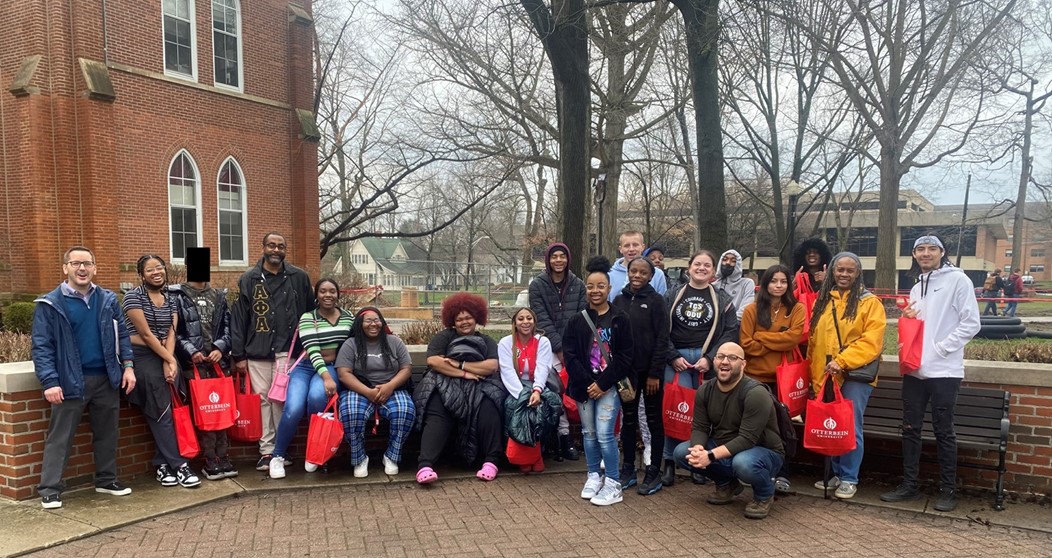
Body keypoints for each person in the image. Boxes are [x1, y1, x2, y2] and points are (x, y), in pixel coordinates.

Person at [880, 235, 980, 512]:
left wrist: (941, 348)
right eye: (920, 249)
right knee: (910, 429)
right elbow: (918, 326)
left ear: (941, 252)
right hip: (915, 370)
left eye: (931, 249)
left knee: (943, 431)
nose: (926, 254)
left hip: (945, 371)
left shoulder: (959, 280)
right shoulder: (915, 287)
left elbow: (971, 323)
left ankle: (948, 489)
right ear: (914, 254)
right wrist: (909, 321)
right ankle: (909, 484)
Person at [32, 247, 136, 509]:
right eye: (76, 263)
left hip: (106, 378)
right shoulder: (50, 304)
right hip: (69, 381)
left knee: (107, 433)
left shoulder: (108, 299)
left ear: (95, 268)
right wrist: (50, 382)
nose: (82, 268)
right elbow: (41, 346)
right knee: (60, 437)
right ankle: (50, 489)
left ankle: (106, 480)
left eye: (87, 264)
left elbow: (122, 335)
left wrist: (129, 366)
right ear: (65, 267)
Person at [230, 232, 315, 472]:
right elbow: (239, 319)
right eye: (271, 245)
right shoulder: (249, 278)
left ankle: (281, 449)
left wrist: (309, 345)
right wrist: (239, 355)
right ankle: (266, 451)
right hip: (257, 350)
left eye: (280, 246)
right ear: (263, 247)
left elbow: (310, 314)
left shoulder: (299, 277)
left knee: (281, 401)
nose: (276, 250)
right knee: (263, 402)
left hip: (288, 351)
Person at [672, 342, 785, 519]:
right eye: (720, 357)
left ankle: (764, 495)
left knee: (743, 463)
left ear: (743, 364)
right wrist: (698, 449)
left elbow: (747, 439)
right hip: (724, 445)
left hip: (762, 450)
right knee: (682, 453)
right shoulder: (705, 390)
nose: (725, 362)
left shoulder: (755, 393)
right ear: (714, 361)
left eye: (732, 358)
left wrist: (709, 456)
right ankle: (727, 484)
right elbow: (700, 427)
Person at [806, 251, 886, 499]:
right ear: (832, 271)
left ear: (858, 273)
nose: (844, 274)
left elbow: (871, 342)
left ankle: (850, 477)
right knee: (833, 425)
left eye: (850, 270)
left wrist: (842, 361)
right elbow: (814, 342)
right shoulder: (823, 300)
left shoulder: (870, 303)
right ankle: (837, 473)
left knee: (851, 426)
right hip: (828, 375)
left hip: (854, 375)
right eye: (840, 269)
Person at [660, 250, 740, 487]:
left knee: (702, 415)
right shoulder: (673, 294)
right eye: (697, 264)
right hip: (677, 362)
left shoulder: (722, 298)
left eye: (707, 265)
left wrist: (711, 357)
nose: (702, 268)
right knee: (675, 411)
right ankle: (669, 462)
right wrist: (672, 355)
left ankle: (697, 462)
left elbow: (731, 330)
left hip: (708, 362)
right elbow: (660, 328)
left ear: (713, 270)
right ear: (689, 267)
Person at [123, 254, 201, 488]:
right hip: (142, 356)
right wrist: (170, 360)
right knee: (161, 408)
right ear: (141, 274)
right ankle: (180, 465)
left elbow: (170, 332)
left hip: (166, 354)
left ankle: (162, 464)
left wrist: (170, 361)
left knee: (172, 408)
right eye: (150, 269)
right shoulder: (132, 298)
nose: (156, 272)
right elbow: (145, 335)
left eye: (159, 268)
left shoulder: (170, 298)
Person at [413, 293, 505, 484]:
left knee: (490, 407)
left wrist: (460, 364)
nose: (464, 322)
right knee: (438, 411)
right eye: (459, 319)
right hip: (445, 383)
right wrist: (464, 374)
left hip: (480, 385)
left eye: (468, 317)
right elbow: (434, 361)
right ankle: (425, 465)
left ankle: (491, 461)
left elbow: (491, 366)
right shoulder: (444, 337)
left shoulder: (486, 341)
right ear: (452, 320)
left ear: (476, 318)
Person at [564, 256, 634, 506]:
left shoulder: (620, 318)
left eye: (600, 286)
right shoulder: (577, 320)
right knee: (588, 433)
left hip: (609, 386)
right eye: (591, 286)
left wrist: (603, 383)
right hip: (584, 387)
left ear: (609, 288)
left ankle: (613, 482)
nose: (595, 291)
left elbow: (626, 356)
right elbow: (569, 355)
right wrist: (586, 383)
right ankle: (593, 475)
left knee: (605, 435)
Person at [269, 278, 354, 479]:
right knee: (294, 407)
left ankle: (314, 452)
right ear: (316, 295)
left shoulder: (348, 317)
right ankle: (277, 456)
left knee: (317, 398)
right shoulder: (308, 318)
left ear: (338, 294)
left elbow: (352, 345)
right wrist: (326, 376)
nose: (328, 295)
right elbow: (313, 350)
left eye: (332, 291)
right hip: (306, 368)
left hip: (333, 367)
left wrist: (331, 365)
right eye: (323, 291)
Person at [738, 264, 805, 493]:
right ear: (765, 284)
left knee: (782, 429)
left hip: (782, 381)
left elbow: (793, 339)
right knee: (753, 428)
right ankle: (756, 472)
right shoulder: (751, 310)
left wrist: (762, 336)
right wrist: (777, 339)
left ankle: (782, 475)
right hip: (754, 379)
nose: (778, 285)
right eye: (773, 281)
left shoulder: (796, 309)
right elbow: (746, 345)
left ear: (789, 284)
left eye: (783, 281)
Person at [170, 275, 238, 480]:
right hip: (194, 365)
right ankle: (210, 459)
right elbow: (175, 331)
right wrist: (191, 351)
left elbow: (228, 327)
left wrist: (221, 347)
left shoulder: (218, 295)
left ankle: (223, 456)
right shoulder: (176, 295)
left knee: (222, 411)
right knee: (205, 413)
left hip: (218, 364)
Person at [611, 256, 669, 495]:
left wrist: (655, 373)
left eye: (642, 272)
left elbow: (662, 339)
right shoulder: (618, 300)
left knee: (654, 420)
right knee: (629, 419)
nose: (637, 275)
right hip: (626, 375)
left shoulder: (656, 302)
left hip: (650, 375)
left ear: (650, 276)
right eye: (633, 271)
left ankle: (654, 471)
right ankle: (627, 469)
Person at [336, 307, 415, 477]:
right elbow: (343, 374)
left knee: (404, 410)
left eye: (377, 320)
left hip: (392, 388)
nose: (373, 324)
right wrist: (368, 392)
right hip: (360, 388)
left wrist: (390, 386)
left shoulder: (394, 342)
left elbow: (406, 368)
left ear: (382, 322)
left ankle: (392, 456)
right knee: (351, 412)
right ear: (359, 324)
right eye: (368, 321)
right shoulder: (350, 344)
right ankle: (359, 458)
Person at [528, 242, 585, 461]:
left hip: (573, 347)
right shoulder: (538, 286)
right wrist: (558, 347)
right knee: (552, 392)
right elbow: (540, 318)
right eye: (554, 257)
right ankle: (559, 438)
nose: (558, 260)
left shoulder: (578, 284)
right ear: (548, 260)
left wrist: (568, 347)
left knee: (571, 394)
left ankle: (570, 438)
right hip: (547, 348)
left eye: (562, 256)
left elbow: (579, 317)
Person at [497, 307, 561, 473]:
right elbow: (507, 371)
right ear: (514, 323)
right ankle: (522, 457)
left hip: (537, 385)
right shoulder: (505, 343)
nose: (525, 322)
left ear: (534, 322)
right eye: (521, 319)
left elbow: (543, 368)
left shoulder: (543, 342)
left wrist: (537, 391)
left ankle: (538, 454)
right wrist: (522, 396)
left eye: (529, 318)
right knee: (514, 408)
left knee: (547, 406)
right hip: (515, 388)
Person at [608, 230, 667, 301]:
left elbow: (662, 304)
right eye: (627, 246)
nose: (631, 249)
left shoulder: (657, 274)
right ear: (620, 249)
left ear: (643, 247)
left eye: (635, 245)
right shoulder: (609, 275)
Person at [712, 249, 755, 320]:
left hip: (737, 325)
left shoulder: (747, 283)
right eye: (725, 260)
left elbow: (746, 308)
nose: (728, 263)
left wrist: (730, 322)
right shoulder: (713, 286)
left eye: (733, 261)